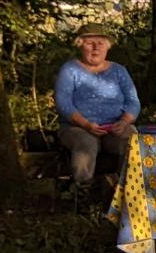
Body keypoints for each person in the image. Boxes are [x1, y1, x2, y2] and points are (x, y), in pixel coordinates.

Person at [53, 23, 140, 200]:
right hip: (77, 127)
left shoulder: (119, 71)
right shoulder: (70, 70)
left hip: (113, 126)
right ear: (79, 45)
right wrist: (86, 124)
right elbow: (63, 103)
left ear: (108, 46)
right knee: (86, 143)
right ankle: (83, 195)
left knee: (133, 138)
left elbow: (133, 102)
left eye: (100, 42)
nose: (95, 47)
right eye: (89, 42)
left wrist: (124, 121)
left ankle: (129, 193)